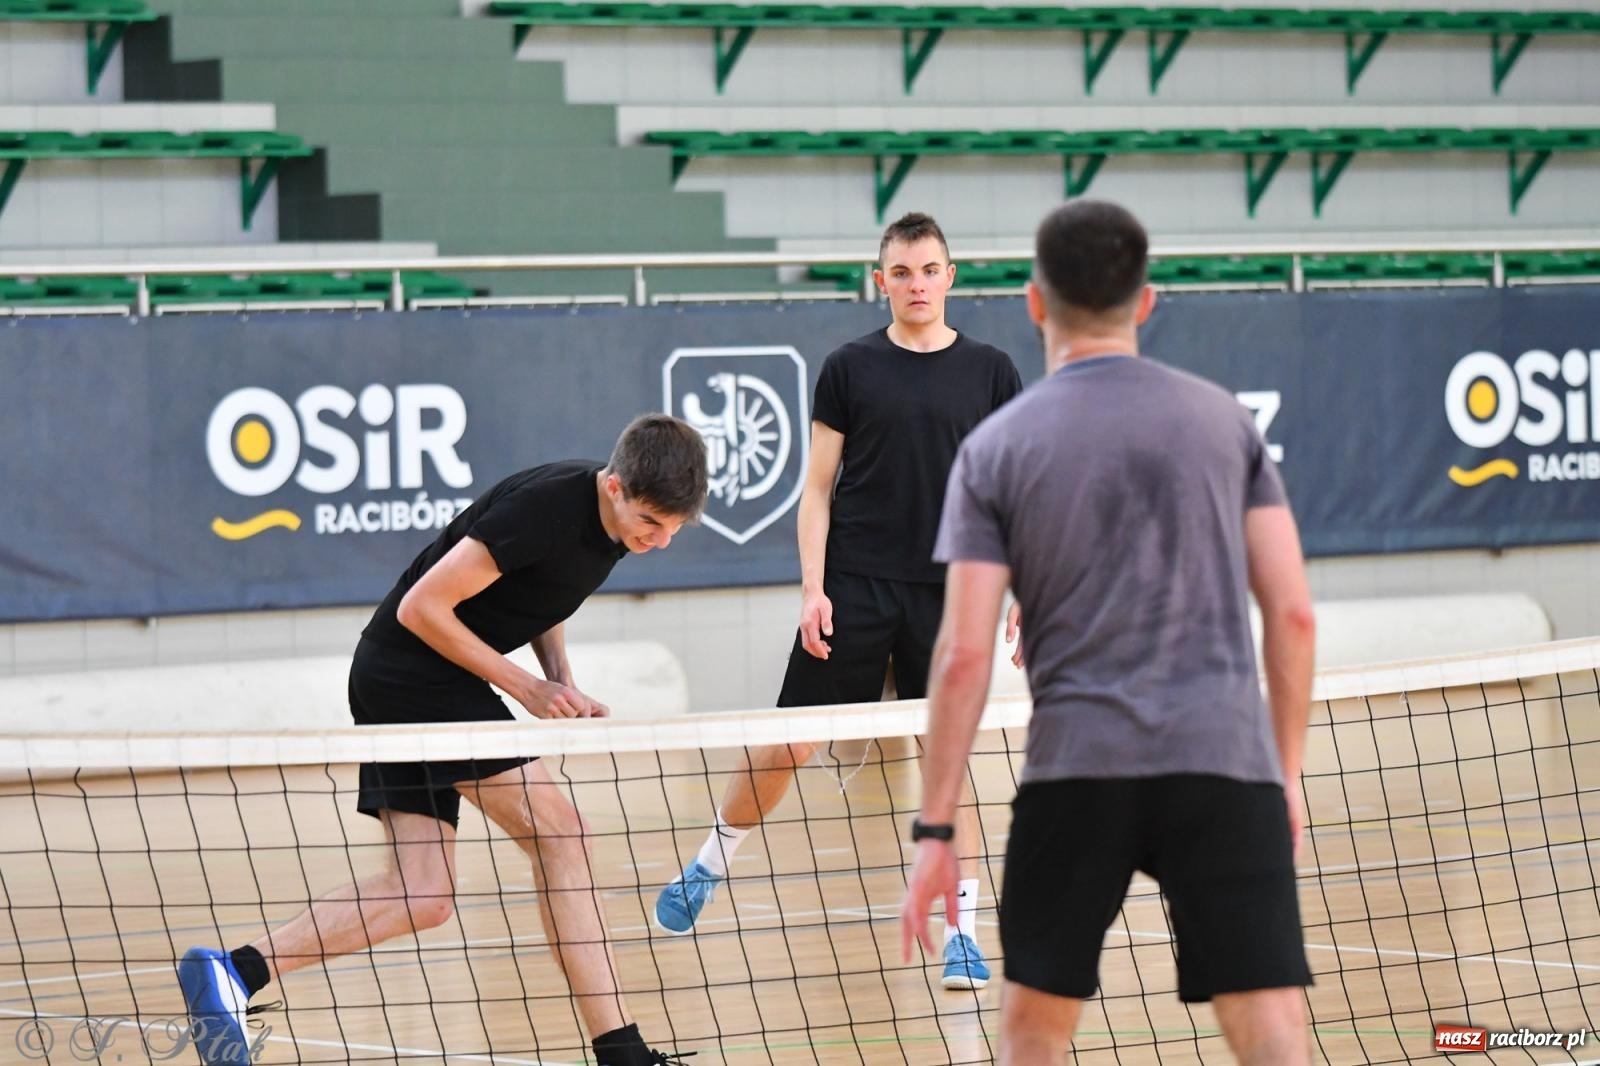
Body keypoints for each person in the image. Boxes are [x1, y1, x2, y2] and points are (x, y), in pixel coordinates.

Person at [900, 199, 1316, 1064]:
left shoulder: (997, 447)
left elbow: (965, 654)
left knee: (1032, 1034)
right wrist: (1285, 773)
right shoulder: (1225, 421)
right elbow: (1293, 613)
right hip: (1222, 765)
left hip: (1075, 772)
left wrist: (936, 828)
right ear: (1146, 301)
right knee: (1272, 1032)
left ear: (1034, 302)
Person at [177, 414, 708, 1066]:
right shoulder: (543, 509)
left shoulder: (616, 527)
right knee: (563, 835)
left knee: (422, 894)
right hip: (414, 675)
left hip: (405, 677)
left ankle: (232, 972)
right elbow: (420, 607)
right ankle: (621, 1053)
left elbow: (545, 591)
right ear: (615, 486)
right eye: (652, 524)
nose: (660, 541)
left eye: (674, 529)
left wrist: (560, 677)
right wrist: (527, 689)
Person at [654, 212, 1023, 991]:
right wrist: (814, 588)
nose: (917, 285)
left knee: (945, 760)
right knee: (789, 743)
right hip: (855, 585)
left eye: (929, 270)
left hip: (950, 591)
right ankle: (708, 864)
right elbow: (816, 489)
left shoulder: (991, 371)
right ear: (879, 281)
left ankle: (962, 933)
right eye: (902, 272)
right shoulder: (849, 368)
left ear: (951, 277)